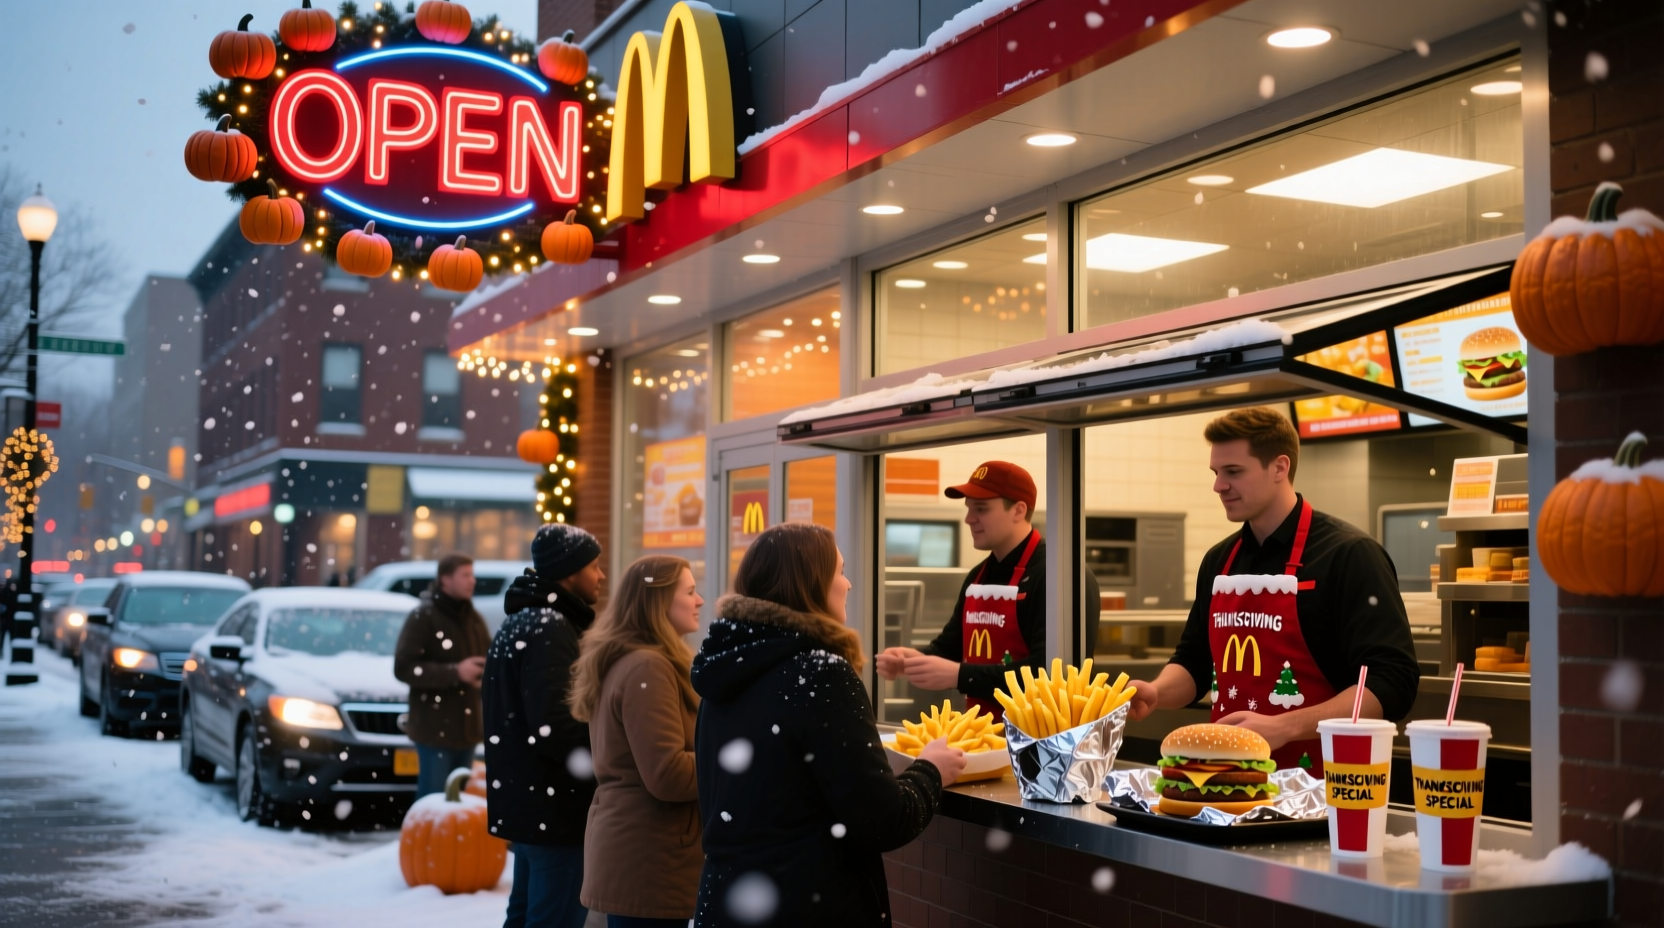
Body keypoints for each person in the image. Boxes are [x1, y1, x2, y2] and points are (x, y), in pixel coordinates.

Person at [692, 522, 966, 928]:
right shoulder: (820, 673)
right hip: (806, 906)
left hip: (727, 903)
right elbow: (884, 819)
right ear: (811, 585)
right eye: (839, 571)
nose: (849, 584)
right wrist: (930, 770)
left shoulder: (726, 670)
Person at [1124, 407, 1421, 774]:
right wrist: (1157, 692)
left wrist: (1285, 726)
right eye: (1216, 473)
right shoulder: (1219, 560)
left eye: (1233, 472)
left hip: (1326, 786)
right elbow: (1195, 662)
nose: (1218, 485)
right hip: (1228, 780)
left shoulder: (1349, 555)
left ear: (1280, 467)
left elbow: (1392, 682)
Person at [874, 461, 1099, 720]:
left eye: (980, 509)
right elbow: (950, 648)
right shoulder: (978, 577)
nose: (969, 519)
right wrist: (911, 660)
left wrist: (960, 675)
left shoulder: (1060, 576)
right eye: (969, 509)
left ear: (1018, 510)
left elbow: (1050, 674)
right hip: (985, 738)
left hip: (1044, 743)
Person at [569, 555, 704, 928]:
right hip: (650, 857)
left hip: (643, 852)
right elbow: (667, 775)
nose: (700, 601)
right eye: (690, 592)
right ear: (657, 601)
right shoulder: (648, 666)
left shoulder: (635, 660)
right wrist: (726, 761)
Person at [484, 523, 607, 928]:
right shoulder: (549, 627)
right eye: (594, 566)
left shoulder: (525, 620)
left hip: (533, 805)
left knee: (523, 916)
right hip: (555, 811)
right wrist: (607, 756)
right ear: (569, 571)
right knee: (551, 919)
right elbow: (553, 726)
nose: (601, 576)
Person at [393, 553, 490, 797]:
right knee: (434, 801)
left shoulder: (473, 618)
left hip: (467, 730)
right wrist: (455, 672)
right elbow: (404, 667)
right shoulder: (423, 617)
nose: (472, 581)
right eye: (465, 575)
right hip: (434, 729)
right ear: (445, 580)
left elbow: (488, 656)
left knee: (460, 802)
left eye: (473, 574)